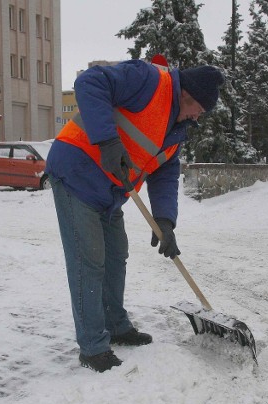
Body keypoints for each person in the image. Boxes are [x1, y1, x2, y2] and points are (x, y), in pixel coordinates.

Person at [45, 60, 224, 372]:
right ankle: (92, 347)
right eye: (199, 110)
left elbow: (166, 171)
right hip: (76, 172)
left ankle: (115, 325)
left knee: (116, 256)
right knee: (89, 259)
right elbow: (90, 81)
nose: (198, 118)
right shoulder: (147, 80)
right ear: (188, 96)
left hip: (111, 191)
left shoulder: (177, 129)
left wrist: (165, 221)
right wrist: (107, 140)